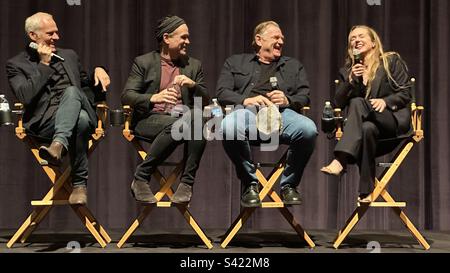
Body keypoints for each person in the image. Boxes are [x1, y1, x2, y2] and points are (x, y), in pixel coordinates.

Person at [6, 12, 110, 205]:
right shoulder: (16, 64)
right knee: (81, 121)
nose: (56, 37)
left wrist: (100, 70)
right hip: (45, 123)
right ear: (33, 36)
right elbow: (24, 96)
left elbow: (87, 87)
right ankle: (79, 185)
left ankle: (58, 145)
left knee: (72, 92)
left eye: (56, 32)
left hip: (73, 111)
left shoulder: (69, 55)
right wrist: (44, 64)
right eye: (50, 33)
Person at [216, 21, 317, 207]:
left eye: (282, 39)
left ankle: (289, 186)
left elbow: (305, 97)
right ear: (259, 40)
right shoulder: (235, 62)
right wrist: (247, 100)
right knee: (228, 126)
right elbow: (221, 92)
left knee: (308, 129)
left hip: (282, 114)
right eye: (276, 37)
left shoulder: (293, 66)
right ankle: (250, 184)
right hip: (247, 113)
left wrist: (287, 100)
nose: (281, 41)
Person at [122, 15, 208, 204]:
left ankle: (186, 184)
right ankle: (142, 176)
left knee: (196, 117)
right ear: (167, 38)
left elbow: (206, 100)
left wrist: (194, 85)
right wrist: (154, 98)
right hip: (149, 119)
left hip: (183, 120)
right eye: (183, 37)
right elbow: (127, 96)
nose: (188, 41)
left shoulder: (193, 65)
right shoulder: (144, 62)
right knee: (190, 122)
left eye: (188, 37)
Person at [321, 25, 412, 203]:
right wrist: (351, 81)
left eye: (361, 36)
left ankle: (341, 159)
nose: (356, 40)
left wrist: (386, 102)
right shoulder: (348, 72)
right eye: (352, 39)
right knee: (367, 128)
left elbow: (406, 93)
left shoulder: (390, 61)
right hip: (366, 134)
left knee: (357, 103)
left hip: (391, 123)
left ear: (373, 42)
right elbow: (337, 104)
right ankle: (366, 191)